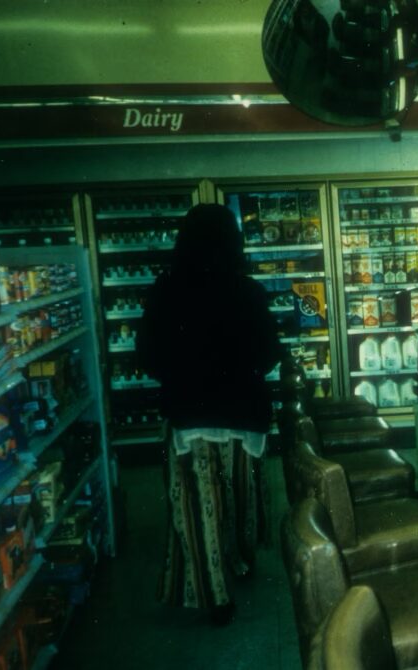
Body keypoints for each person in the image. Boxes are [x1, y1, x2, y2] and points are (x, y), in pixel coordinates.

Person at [137, 203, 281, 625]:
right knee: (239, 494)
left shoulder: (165, 289)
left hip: (188, 414)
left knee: (197, 504)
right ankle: (241, 559)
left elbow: (145, 354)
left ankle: (212, 593)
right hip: (242, 413)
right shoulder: (249, 291)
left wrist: (178, 376)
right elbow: (270, 354)